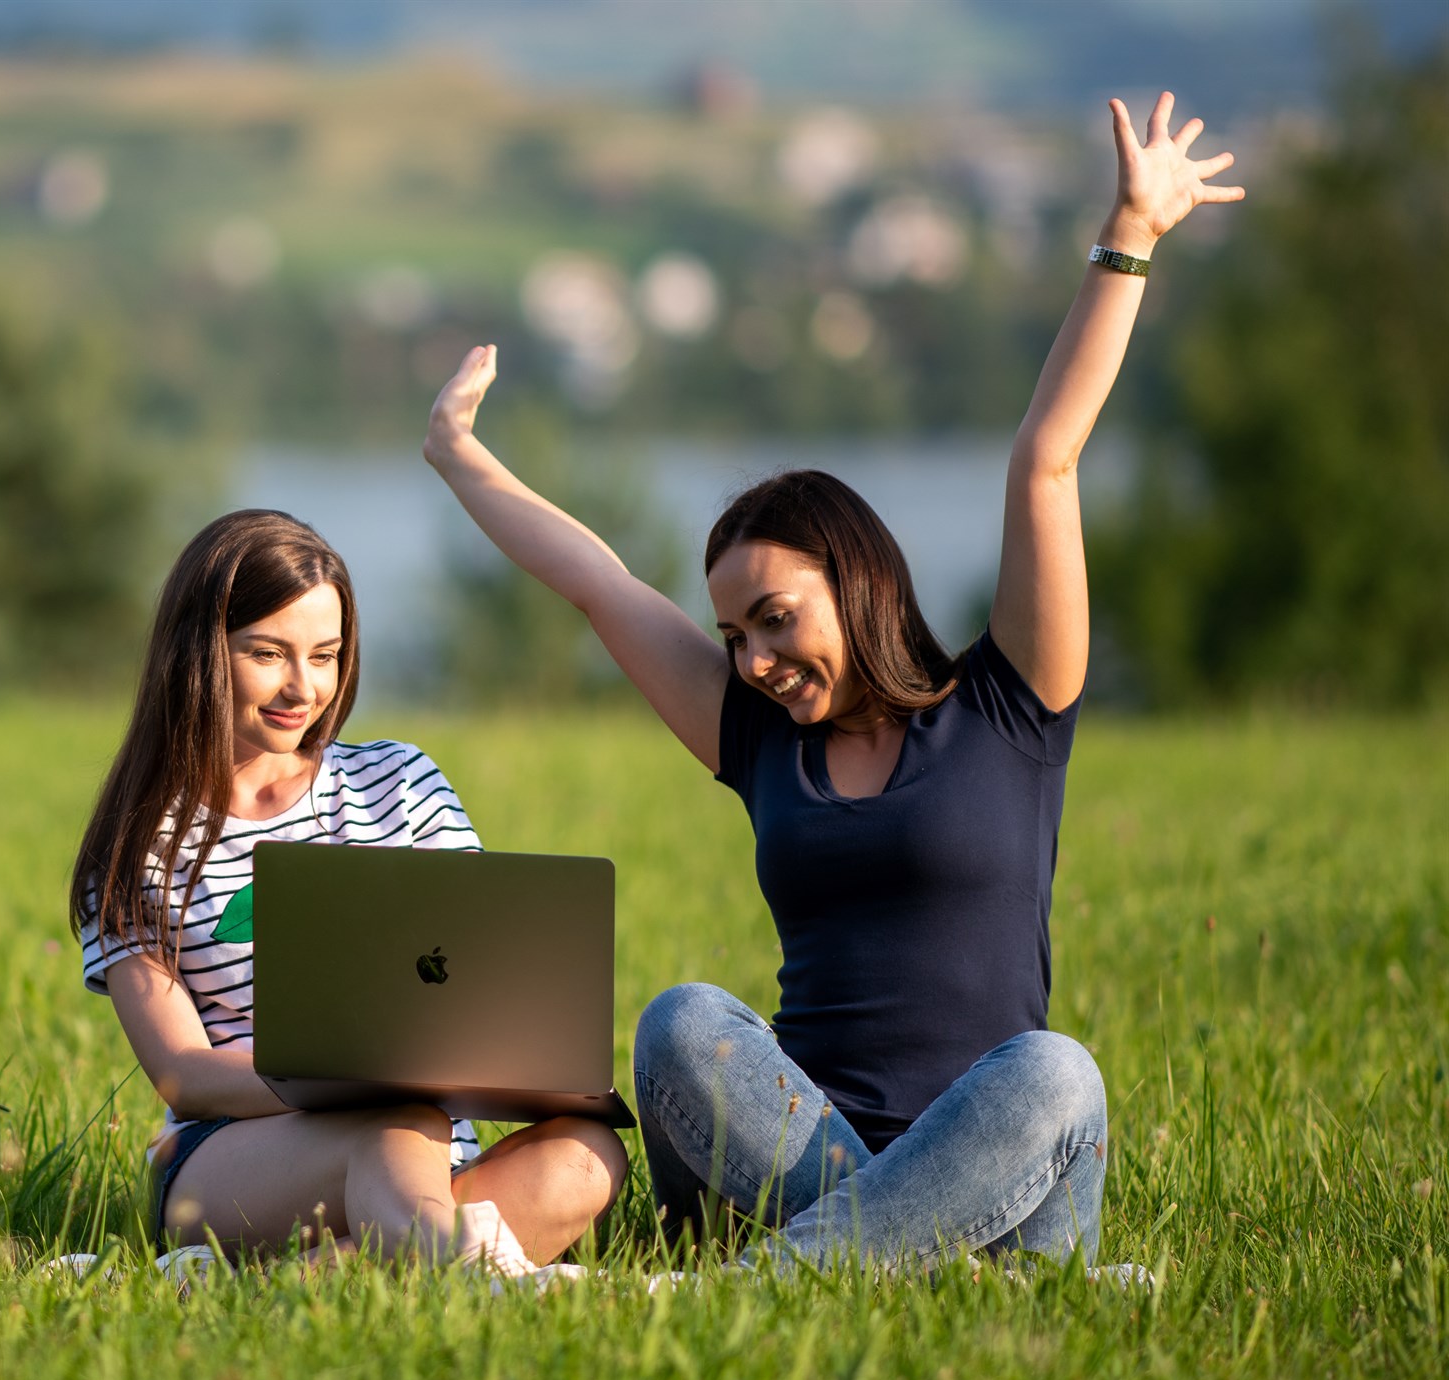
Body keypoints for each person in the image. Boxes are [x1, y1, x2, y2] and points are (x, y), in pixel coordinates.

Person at [422, 93, 1243, 1273]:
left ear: (856, 583)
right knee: (680, 1023)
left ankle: (786, 1279)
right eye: (731, 633)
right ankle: (910, 1267)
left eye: (776, 620)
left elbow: (1045, 457)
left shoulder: (1009, 706)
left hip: (1004, 1173)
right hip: (795, 1159)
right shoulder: (759, 741)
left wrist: (1130, 236)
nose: (753, 659)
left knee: (1055, 1072)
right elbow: (597, 584)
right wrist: (460, 457)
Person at [71, 509, 626, 1280]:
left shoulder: (401, 783)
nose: (304, 687)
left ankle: (300, 1283)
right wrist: (345, 1083)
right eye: (268, 654)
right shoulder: (142, 845)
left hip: (437, 1146)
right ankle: (482, 1280)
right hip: (238, 1156)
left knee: (588, 1152)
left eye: (326, 656)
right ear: (199, 653)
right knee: (389, 1124)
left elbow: (477, 974)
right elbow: (182, 1073)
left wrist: (525, 1058)